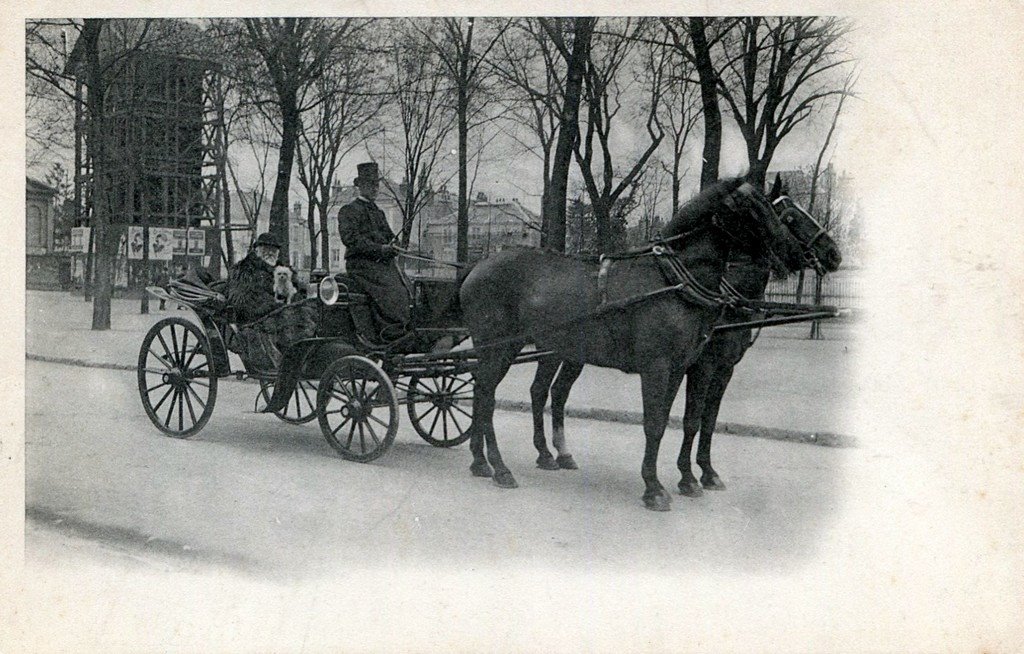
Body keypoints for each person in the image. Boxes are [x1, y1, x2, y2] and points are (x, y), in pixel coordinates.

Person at [337, 162, 412, 343]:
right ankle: (390, 333)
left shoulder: (378, 213)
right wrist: (380, 249)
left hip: (381, 264)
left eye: (376, 185)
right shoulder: (348, 211)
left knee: (408, 287)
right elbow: (351, 240)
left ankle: (404, 328)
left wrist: (395, 244)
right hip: (360, 265)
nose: (375, 189)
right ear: (360, 186)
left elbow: (389, 235)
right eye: (370, 185)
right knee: (392, 290)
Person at [225, 232, 315, 369]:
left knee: (311, 313)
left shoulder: (283, 269)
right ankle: (289, 364)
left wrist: (298, 299)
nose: (270, 253)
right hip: (256, 318)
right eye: (265, 249)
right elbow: (241, 299)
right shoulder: (245, 270)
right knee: (288, 320)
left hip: (280, 311)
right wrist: (273, 306)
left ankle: (306, 359)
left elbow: (299, 289)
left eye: (274, 250)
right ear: (256, 250)